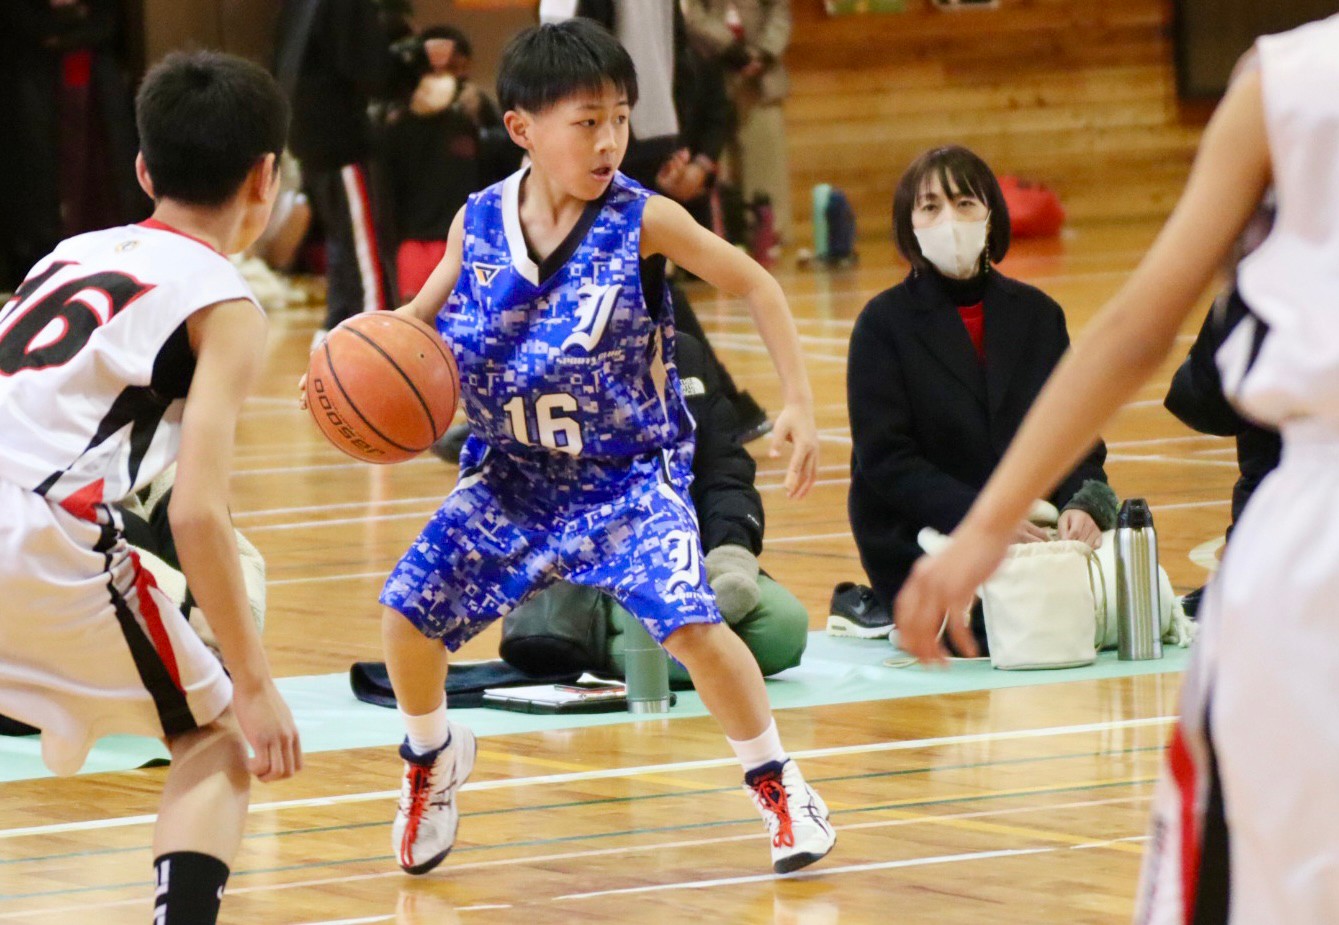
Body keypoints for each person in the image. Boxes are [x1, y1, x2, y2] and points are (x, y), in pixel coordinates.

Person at [362, 20, 832, 877]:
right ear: (521, 128)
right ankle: (432, 756)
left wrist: (798, 401)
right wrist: (345, 368)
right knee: (405, 613)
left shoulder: (643, 219)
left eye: (619, 117)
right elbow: (409, 327)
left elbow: (757, 282)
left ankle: (777, 782)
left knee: (692, 624)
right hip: (511, 475)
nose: (609, 139)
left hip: (625, 477)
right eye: (586, 122)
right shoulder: (477, 223)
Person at [895, 15, 1338, 922]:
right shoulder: (1289, 83)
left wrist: (983, 527)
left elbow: (1138, 330)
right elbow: (1138, 327)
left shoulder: (1286, 79)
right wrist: (988, 523)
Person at [0, 51, 301, 925]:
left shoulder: (69, 252)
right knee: (216, 740)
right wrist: (253, 682)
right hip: (40, 536)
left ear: (143, 169)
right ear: (265, 177)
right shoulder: (224, 302)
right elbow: (196, 511)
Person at [843, 146, 1116, 650]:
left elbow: (1074, 434)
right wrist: (985, 521)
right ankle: (881, 605)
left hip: (1034, 528)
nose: (949, 220)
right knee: (1007, 629)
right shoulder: (880, 326)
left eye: (965, 203)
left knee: (1115, 607)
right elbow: (887, 462)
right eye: (930, 207)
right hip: (924, 532)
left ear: (991, 215)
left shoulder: (1039, 316)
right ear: (909, 226)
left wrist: (1084, 504)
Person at [500, 332, 809, 685]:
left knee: (784, 628)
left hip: (691, 558)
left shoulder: (685, 352)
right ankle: (607, 641)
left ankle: (664, 642)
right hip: (598, 571)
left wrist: (731, 552)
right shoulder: (554, 358)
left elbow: (724, 469)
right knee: (689, 640)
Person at [683, 0, 794, 251]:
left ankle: (767, 236)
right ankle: (722, 236)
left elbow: (780, 15)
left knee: (765, 159)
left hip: (761, 79)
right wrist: (731, 49)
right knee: (718, 163)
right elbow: (694, 17)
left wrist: (763, 54)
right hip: (713, 70)